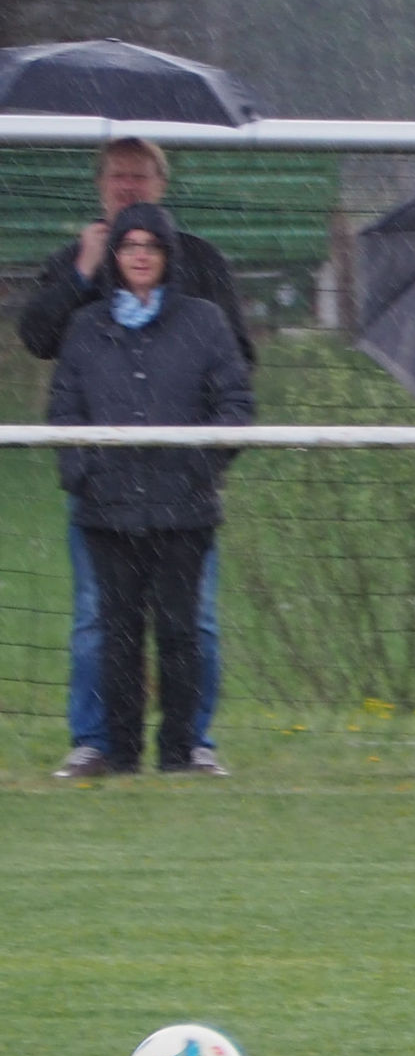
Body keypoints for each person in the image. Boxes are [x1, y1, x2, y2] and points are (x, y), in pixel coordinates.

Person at [21, 137, 255, 780]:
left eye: (141, 175)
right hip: (105, 497)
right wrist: (81, 273)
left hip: (183, 495)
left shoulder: (202, 264)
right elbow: (39, 339)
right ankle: (99, 742)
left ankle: (190, 744)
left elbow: (235, 372)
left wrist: (204, 461)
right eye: (118, 176)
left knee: (191, 623)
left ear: (162, 183)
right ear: (100, 185)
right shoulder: (74, 264)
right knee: (100, 620)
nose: (129, 186)